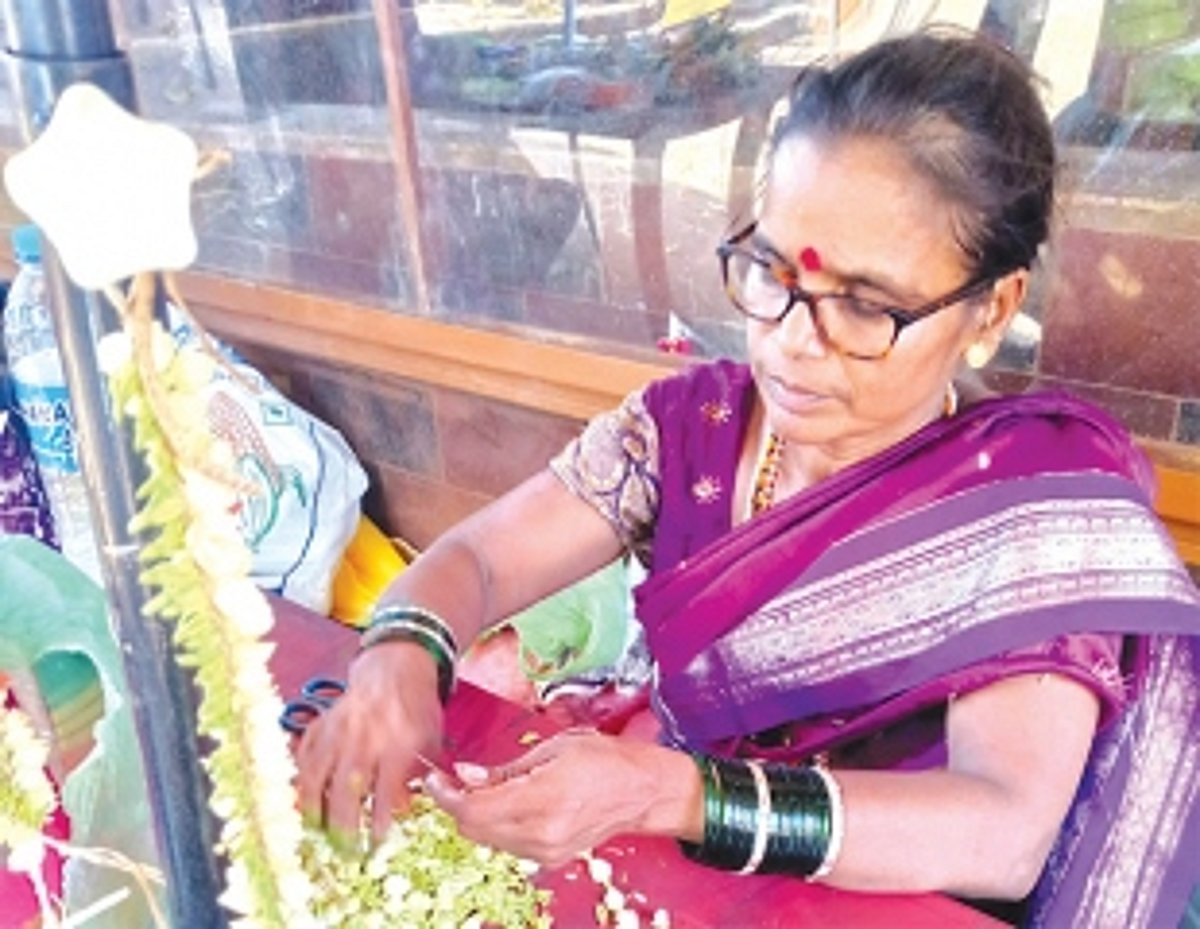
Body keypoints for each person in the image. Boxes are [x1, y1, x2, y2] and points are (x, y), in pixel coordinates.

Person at [297, 28, 1200, 927]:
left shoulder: (1025, 510)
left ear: (991, 309)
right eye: (769, 270)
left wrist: (677, 795)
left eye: (866, 305)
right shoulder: (692, 435)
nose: (792, 343)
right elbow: (483, 562)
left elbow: (1001, 830)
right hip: (682, 866)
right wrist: (401, 649)